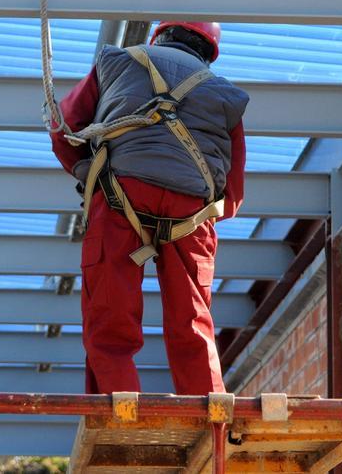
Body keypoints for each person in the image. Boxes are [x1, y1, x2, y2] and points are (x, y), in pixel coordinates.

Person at [49, 21, 249, 397]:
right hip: (191, 211)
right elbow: (233, 194)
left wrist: (86, 172)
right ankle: (209, 415)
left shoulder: (116, 62)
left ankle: (118, 407)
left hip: (120, 192)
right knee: (193, 321)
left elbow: (64, 126)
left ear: (158, 38)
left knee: (109, 318)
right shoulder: (228, 96)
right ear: (208, 54)